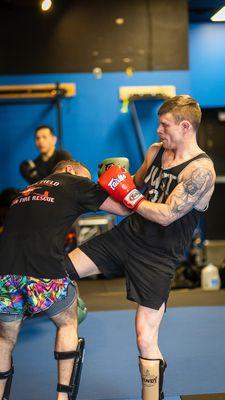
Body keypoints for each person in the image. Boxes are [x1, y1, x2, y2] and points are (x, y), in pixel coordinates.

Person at [68, 95, 216, 400]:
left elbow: (167, 215)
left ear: (186, 126)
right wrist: (114, 182)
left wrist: (132, 197)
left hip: (159, 258)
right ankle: (69, 309)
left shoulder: (200, 172)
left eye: (164, 125)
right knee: (62, 269)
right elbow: (131, 188)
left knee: (144, 337)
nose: (158, 130)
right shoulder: (154, 151)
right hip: (126, 237)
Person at [0, 159, 128, 400]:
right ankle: (62, 397)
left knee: (5, 339)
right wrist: (120, 181)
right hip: (43, 274)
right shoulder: (75, 183)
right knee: (69, 320)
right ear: (71, 170)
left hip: (4, 274)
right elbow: (126, 209)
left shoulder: (25, 191)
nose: (89, 182)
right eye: (86, 176)